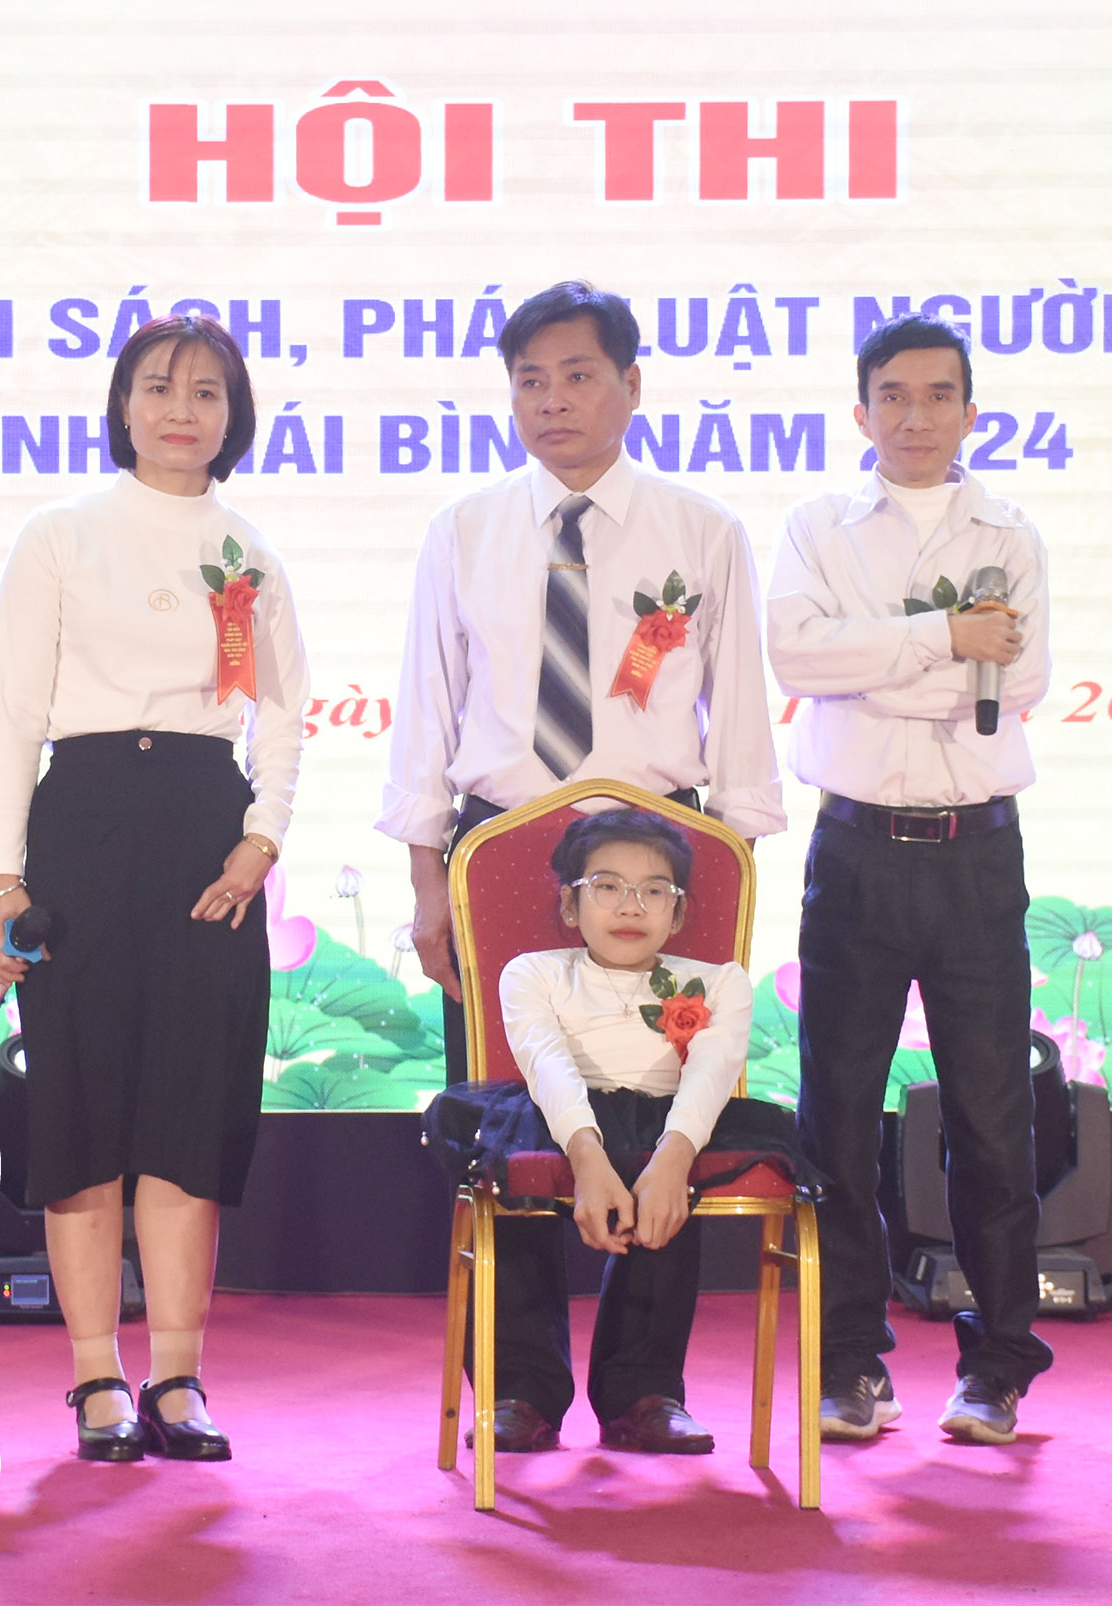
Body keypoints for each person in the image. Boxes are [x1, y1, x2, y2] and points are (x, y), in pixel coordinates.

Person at [378, 280, 784, 1453]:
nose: (552, 400)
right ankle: (520, 1385)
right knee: (516, 1114)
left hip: (664, 853)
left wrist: (730, 886)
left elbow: (739, 716)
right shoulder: (464, 528)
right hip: (501, 856)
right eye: (529, 381)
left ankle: (645, 1384)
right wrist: (426, 885)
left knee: (660, 1106)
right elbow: (427, 712)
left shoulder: (701, 529)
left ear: (632, 385)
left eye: (577, 375)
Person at [0, 313, 308, 1463]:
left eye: (207, 391)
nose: (181, 409)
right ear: (123, 404)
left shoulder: (250, 550)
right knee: (81, 1111)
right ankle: (95, 1378)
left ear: (234, 415)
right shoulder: (61, 535)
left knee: (185, 1113)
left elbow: (283, 713)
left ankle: (177, 1376)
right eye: (160, 386)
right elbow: (16, 715)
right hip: (84, 826)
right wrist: (3, 880)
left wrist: (260, 839)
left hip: (207, 837)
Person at [766, 314, 1052, 1446]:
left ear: (972, 413)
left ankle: (997, 1367)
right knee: (836, 1119)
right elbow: (799, 657)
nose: (916, 416)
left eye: (939, 396)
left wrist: (874, 657)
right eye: (894, 395)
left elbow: (1018, 679)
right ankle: (850, 1362)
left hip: (977, 853)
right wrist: (944, 639)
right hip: (855, 851)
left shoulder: (1012, 532)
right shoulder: (817, 525)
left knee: (991, 1119)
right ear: (861, 412)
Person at [483, 810, 776, 1452]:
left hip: (667, 1126)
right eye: (607, 886)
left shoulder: (719, 984)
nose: (630, 906)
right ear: (570, 905)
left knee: (677, 1165)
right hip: (557, 1121)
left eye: (654, 890)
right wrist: (587, 1158)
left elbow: (710, 1077)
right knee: (512, 1167)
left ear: (678, 911)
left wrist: (672, 1163)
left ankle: (644, 1393)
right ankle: (521, 1391)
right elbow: (547, 1066)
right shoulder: (533, 973)